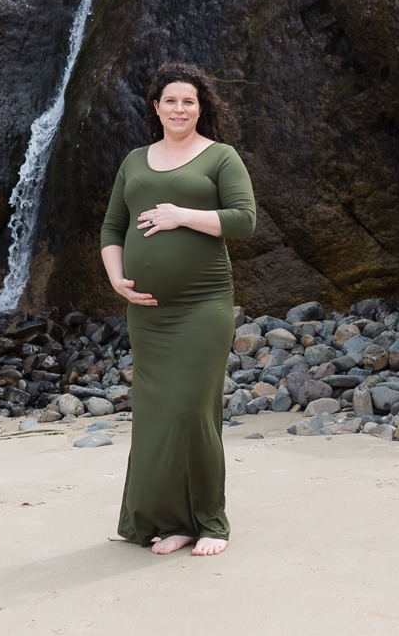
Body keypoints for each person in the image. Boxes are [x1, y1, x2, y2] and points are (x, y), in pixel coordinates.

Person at [99, 62, 256, 556]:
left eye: (188, 101)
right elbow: (111, 229)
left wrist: (180, 216)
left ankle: (209, 522)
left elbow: (244, 220)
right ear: (156, 107)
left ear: (201, 107)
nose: (179, 108)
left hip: (202, 306)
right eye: (171, 100)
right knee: (154, 414)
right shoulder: (135, 160)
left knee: (192, 410)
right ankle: (163, 520)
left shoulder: (220, 157)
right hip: (147, 311)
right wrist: (117, 280)